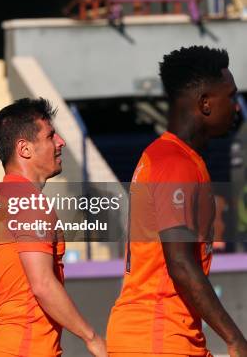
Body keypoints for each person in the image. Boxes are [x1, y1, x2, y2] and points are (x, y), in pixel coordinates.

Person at [106, 46, 247, 357]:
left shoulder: (172, 157)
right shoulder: (174, 163)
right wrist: (235, 338)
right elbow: (180, 262)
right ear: (205, 103)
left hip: (165, 336)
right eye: (232, 96)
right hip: (157, 338)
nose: (237, 107)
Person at [0, 98, 107, 357]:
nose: (60, 142)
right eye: (50, 136)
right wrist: (92, 339)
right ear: (24, 149)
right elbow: (43, 285)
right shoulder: (29, 202)